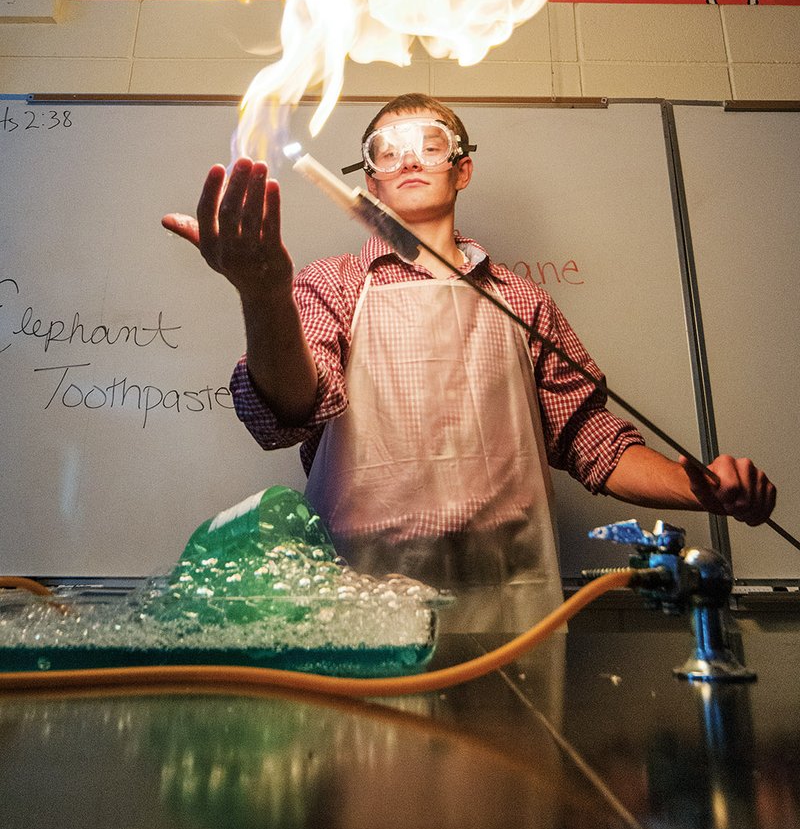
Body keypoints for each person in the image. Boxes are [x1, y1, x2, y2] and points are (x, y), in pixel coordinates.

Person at [163, 93, 776, 632]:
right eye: (387, 150)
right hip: (357, 608)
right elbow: (290, 411)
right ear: (369, 181)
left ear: (462, 171)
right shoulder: (331, 286)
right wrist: (265, 293)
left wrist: (701, 489)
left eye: (429, 146)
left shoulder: (520, 298)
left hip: (509, 604)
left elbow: (593, 441)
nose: (407, 160)